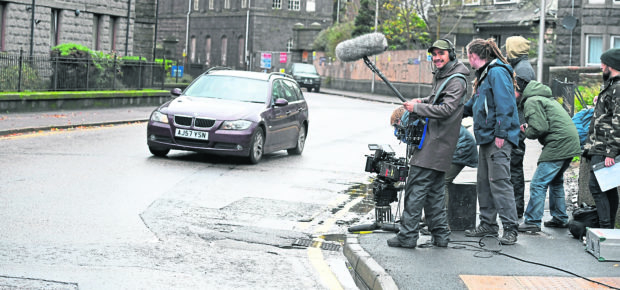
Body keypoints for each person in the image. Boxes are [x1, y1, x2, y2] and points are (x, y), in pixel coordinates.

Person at [387, 39, 470, 248]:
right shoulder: (446, 76)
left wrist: (417, 110)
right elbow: (436, 100)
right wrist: (421, 101)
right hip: (439, 144)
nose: (436, 58)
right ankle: (441, 236)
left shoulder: (456, 80)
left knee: (415, 190)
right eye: (434, 55)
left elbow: (446, 110)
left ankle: (407, 236)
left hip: (435, 145)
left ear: (450, 54)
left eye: (441, 53)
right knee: (434, 194)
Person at [462, 38, 521, 245]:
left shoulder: (495, 72)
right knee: (485, 183)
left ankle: (510, 228)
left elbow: (506, 104)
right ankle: (488, 224)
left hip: (497, 138)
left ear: (472, 55)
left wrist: (501, 134)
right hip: (487, 137)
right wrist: (454, 112)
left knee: (500, 183)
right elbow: (474, 104)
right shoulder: (486, 74)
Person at [514, 78, 581, 232]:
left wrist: (526, 131)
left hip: (559, 143)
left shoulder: (531, 101)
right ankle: (560, 217)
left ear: (518, 90)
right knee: (556, 181)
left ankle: (532, 221)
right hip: (570, 142)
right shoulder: (543, 98)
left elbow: (539, 128)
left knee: (538, 183)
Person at [583, 48, 620, 229]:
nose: (601, 66)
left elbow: (618, 121)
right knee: (608, 187)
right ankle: (609, 230)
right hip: (600, 145)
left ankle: (605, 230)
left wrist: (611, 152)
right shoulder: (612, 85)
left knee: (596, 187)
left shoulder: (618, 88)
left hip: (604, 146)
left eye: (603, 63)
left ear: (610, 65)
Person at [505, 36, 536, 219]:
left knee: (514, 167)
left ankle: (516, 208)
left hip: (516, 125)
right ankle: (515, 207)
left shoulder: (522, 69)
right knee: (512, 167)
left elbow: (514, 96)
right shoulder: (520, 66)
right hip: (516, 123)